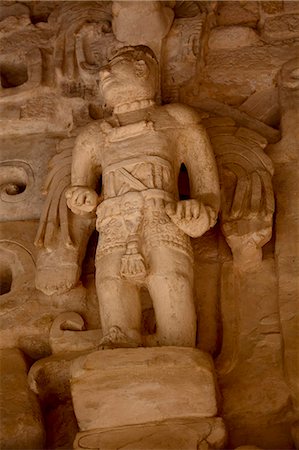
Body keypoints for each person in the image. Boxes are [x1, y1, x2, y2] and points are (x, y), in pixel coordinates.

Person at [66, 45, 220, 348]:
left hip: (161, 221)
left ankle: (180, 357)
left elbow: (208, 190)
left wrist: (200, 214)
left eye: (116, 65)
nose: (105, 73)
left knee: (171, 283)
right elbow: (80, 194)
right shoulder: (91, 137)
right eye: (104, 69)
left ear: (142, 69)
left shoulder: (178, 120)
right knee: (112, 288)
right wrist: (81, 200)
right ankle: (119, 357)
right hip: (113, 226)